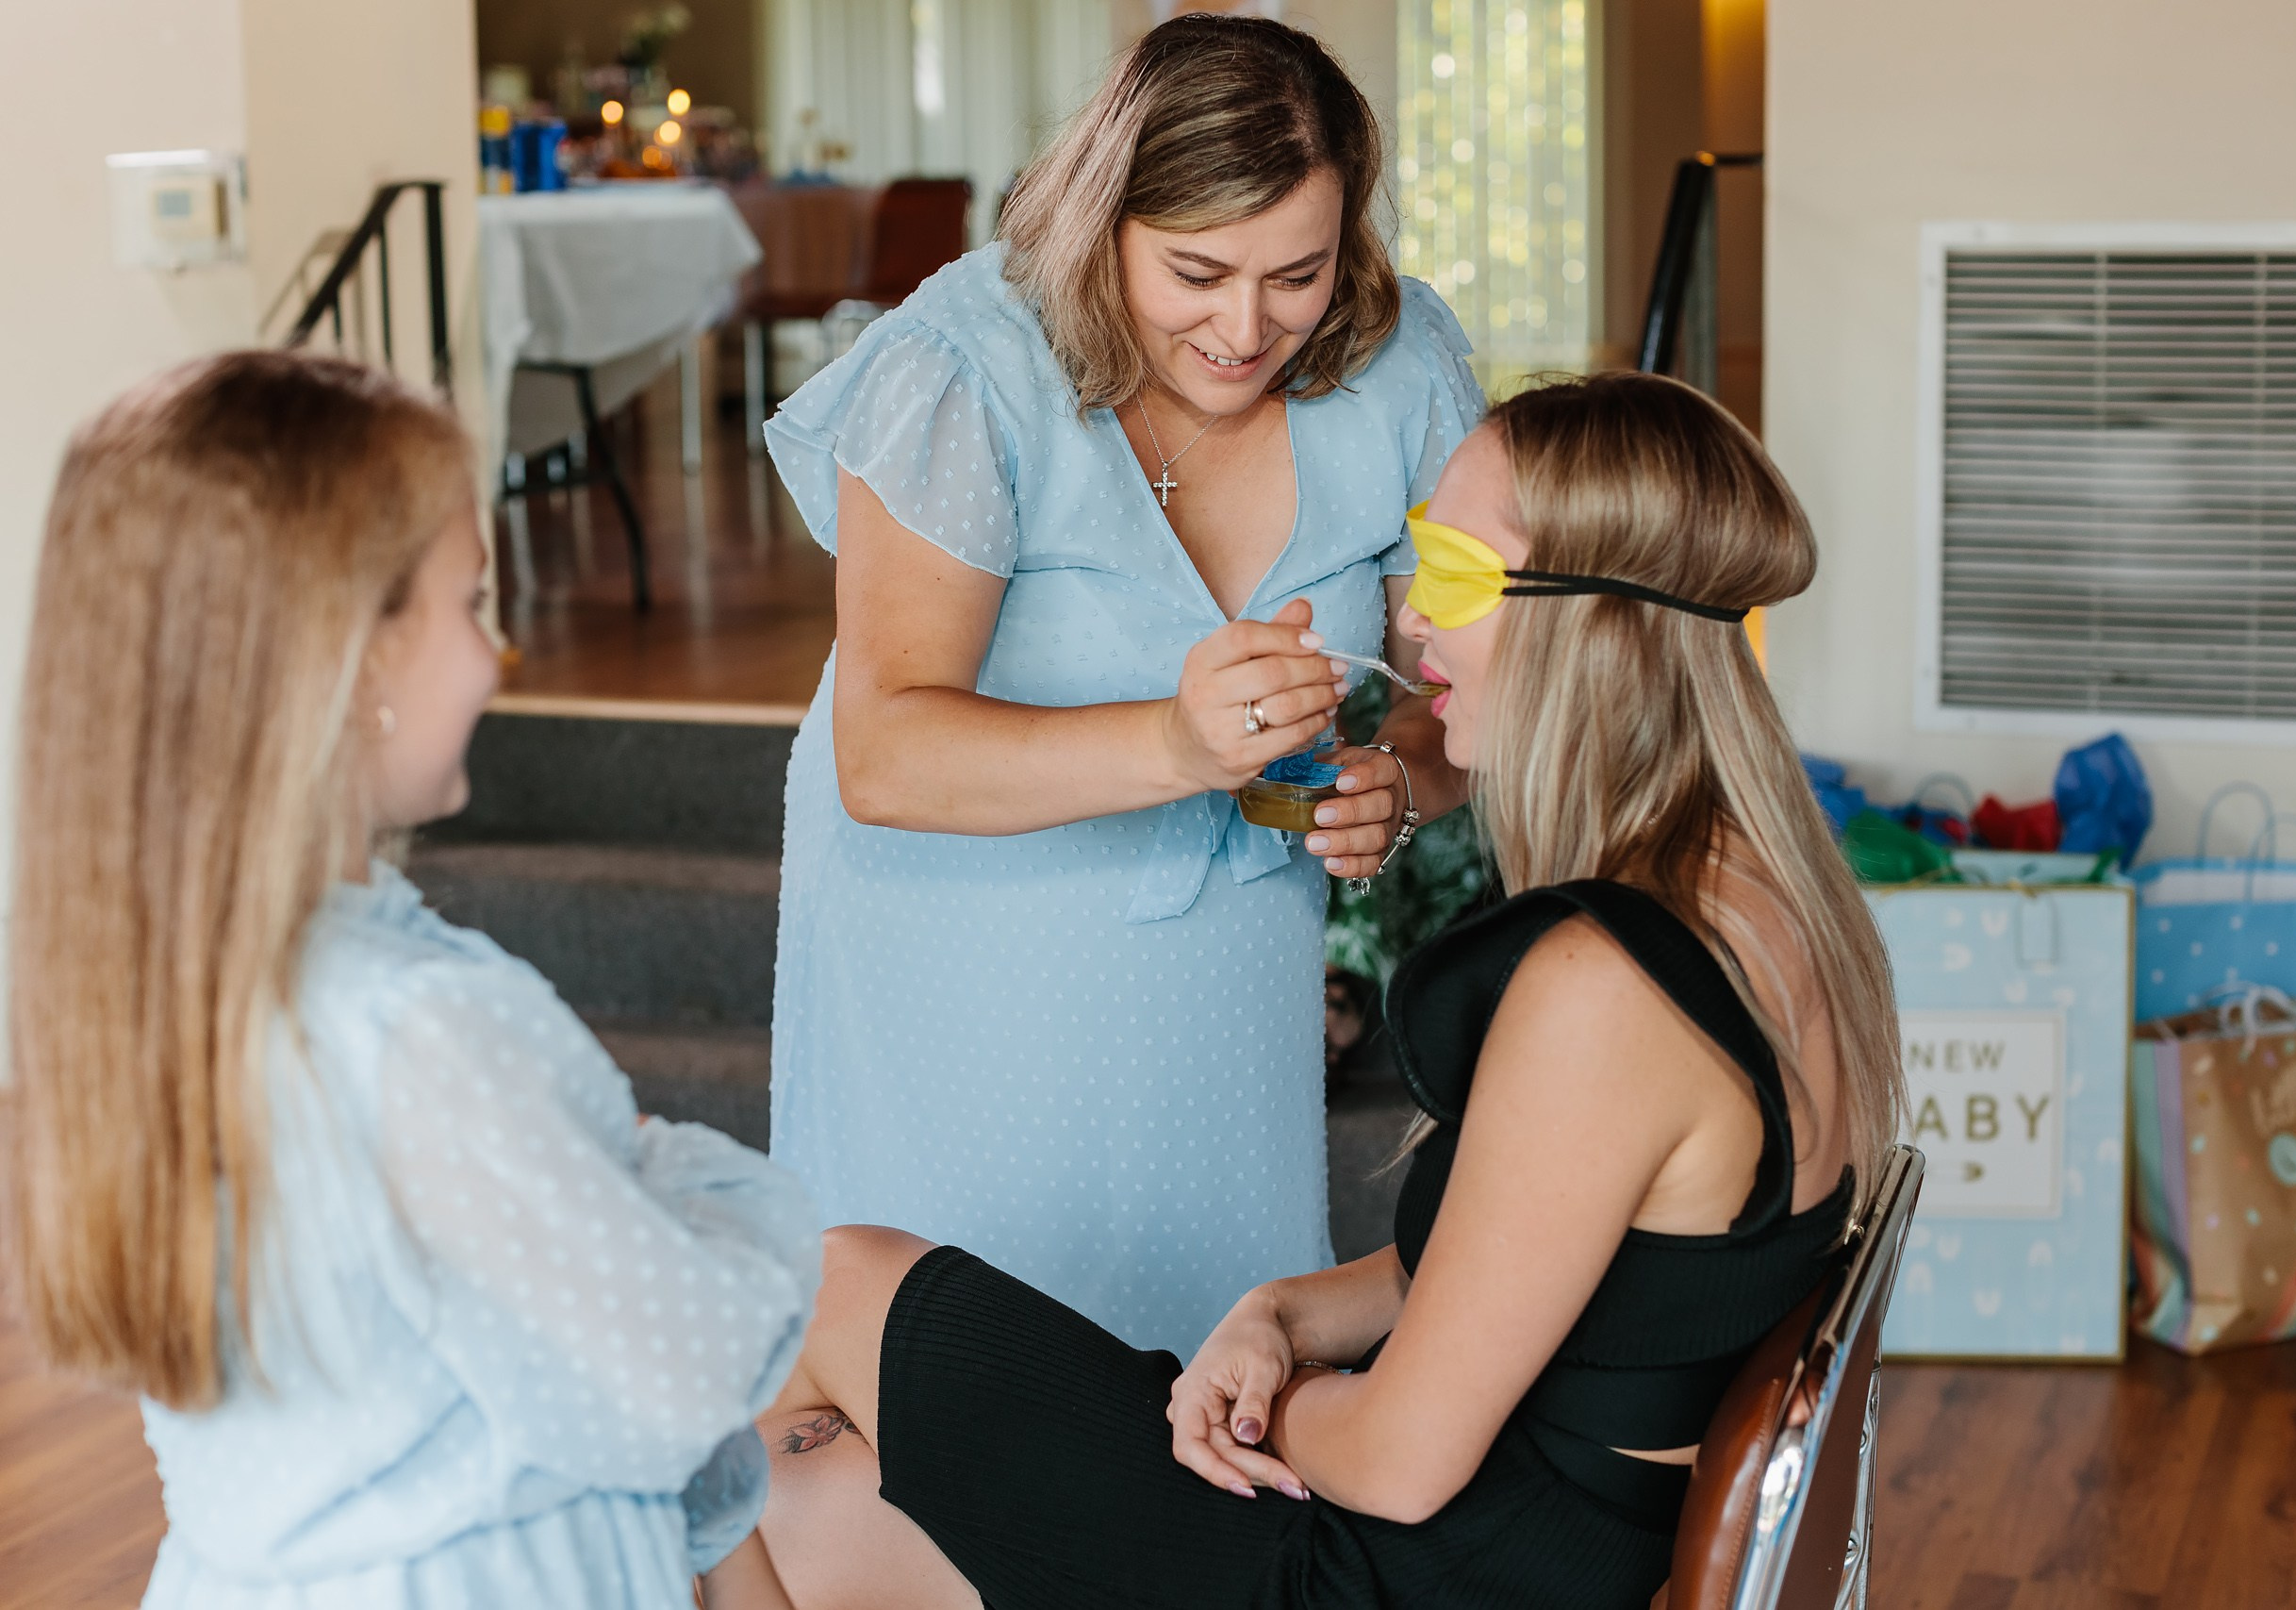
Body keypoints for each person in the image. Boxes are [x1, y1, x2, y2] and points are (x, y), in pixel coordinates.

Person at [749, 373, 1909, 1609]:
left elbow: (1403, 1464)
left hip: (1398, 1570)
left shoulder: (1607, 992)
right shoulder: (1771, 911)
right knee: (800, 1463)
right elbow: (1558, 1266)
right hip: (1508, 1548)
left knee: (793, 1404)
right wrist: (1281, 1314)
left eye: (1453, 577)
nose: (1413, 632)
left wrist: (1272, 1405)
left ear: (1594, 619)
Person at [4, 351, 811, 1610]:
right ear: (351, 655)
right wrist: (674, 1176)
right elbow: (693, 1367)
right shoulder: (411, 1027)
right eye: (471, 604)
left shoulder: (173, 990)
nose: (501, 656)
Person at [760, 13, 1483, 1358]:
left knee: (1200, 1345)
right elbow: (888, 755)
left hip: (1229, 945)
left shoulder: (1400, 362)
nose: (1246, 325)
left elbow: (1468, 673)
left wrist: (1406, 783)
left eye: (1297, 273)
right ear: (1105, 223)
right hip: (958, 936)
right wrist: (1174, 738)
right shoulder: (967, 366)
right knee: (965, 1373)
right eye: (1196, 272)